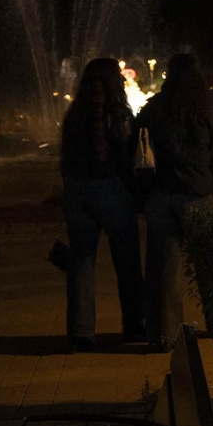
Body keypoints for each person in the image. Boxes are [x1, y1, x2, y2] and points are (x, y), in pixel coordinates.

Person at [137, 54, 213, 350]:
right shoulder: (205, 108)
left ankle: (165, 335)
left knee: (164, 269)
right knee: (210, 266)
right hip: (198, 196)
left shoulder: (155, 109)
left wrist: (142, 195)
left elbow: (137, 147)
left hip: (162, 195)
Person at [59, 58, 145, 352]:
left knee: (81, 262)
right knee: (128, 262)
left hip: (77, 192)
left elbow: (65, 159)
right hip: (110, 189)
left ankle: (81, 333)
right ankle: (134, 326)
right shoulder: (117, 114)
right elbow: (124, 158)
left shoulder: (74, 115)